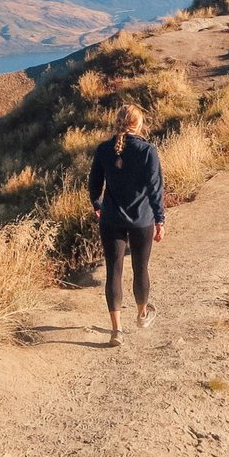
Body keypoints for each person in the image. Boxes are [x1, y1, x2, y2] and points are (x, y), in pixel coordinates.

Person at [88, 102, 165, 347]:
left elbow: (93, 185)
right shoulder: (147, 151)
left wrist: (98, 206)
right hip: (142, 220)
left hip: (111, 220)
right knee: (141, 268)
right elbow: (155, 189)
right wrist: (160, 219)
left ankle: (116, 331)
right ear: (138, 124)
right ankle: (142, 316)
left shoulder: (103, 150)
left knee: (114, 272)